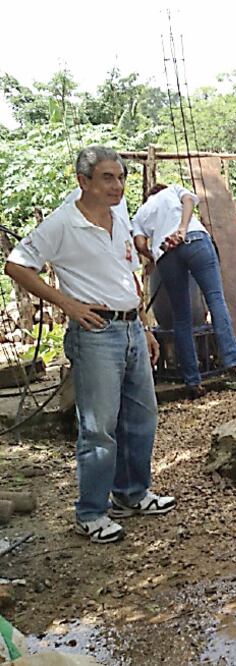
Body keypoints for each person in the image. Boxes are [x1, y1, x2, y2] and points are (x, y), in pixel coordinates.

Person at [4, 145, 176, 544]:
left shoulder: (119, 215)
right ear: (83, 181)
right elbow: (16, 264)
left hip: (130, 327)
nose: (117, 186)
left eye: (121, 178)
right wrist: (68, 304)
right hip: (96, 333)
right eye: (107, 178)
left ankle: (131, 494)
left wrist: (144, 326)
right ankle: (91, 512)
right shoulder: (63, 222)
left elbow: (127, 274)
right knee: (99, 428)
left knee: (142, 417)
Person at [130, 183, 236, 399]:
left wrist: (154, 255)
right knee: (215, 299)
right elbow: (189, 201)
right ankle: (232, 360)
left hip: (166, 254)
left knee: (181, 316)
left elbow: (139, 243)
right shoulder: (172, 190)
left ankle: (192, 380)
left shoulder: (140, 213)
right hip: (194, 239)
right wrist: (182, 229)